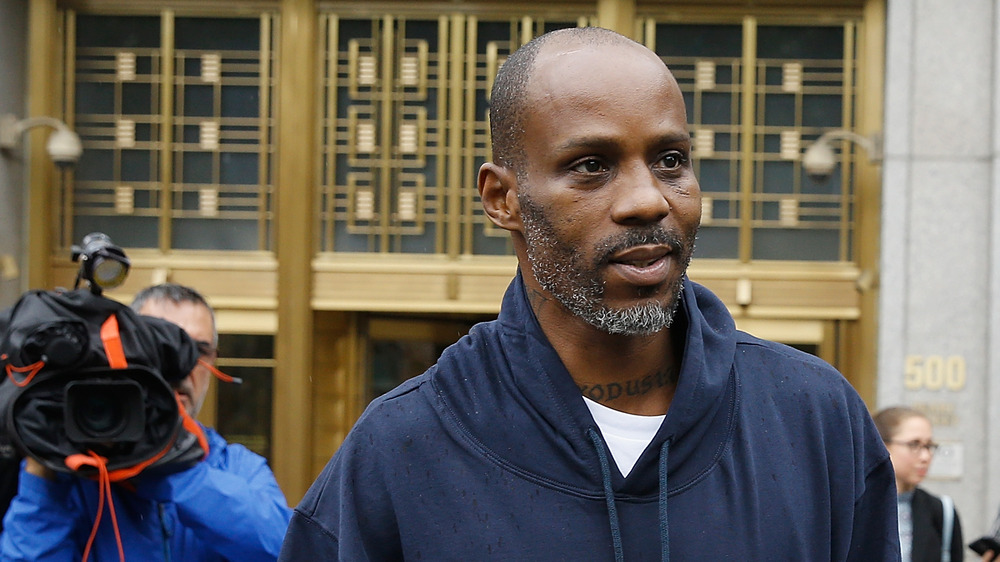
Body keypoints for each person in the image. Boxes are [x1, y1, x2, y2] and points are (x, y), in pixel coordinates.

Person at [279, 27, 899, 561]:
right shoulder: (402, 450)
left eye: (671, 160)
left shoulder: (815, 422)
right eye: (591, 166)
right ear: (503, 199)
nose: (647, 200)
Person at [1, 283, 292, 561]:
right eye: (161, 345)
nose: (183, 367)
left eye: (199, 351)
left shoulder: (236, 468)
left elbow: (287, 549)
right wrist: (43, 476)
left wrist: (181, 471)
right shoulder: (77, 472)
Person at [874, 406, 963, 562]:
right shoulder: (853, 505)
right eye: (914, 444)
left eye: (929, 446)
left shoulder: (941, 510)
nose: (925, 456)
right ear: (882, 445)